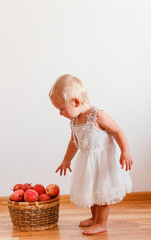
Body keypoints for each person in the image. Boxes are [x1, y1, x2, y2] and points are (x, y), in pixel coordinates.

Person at [49, 74, 133, 235]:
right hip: (88, 162)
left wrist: (125, 151)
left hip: (103, 162)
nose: (60, 113)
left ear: (75, 101)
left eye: (61, 108)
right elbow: (74, 142)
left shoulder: (98, 115)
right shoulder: (74, 121)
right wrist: (66, 160)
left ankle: (102, 223)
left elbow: (117, 131)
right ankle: (94, 218)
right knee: (92, 191)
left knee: (103, 192)